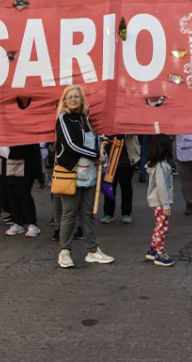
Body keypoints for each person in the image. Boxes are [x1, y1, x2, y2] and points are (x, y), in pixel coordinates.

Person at [54, 84, 113, 268]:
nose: (73, 99)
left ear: (82, 100)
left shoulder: (84, 118)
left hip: (88, 174)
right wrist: (96, 154)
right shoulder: (63, 118)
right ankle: (64, 252)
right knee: (69, 214)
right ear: (64, 100)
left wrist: (99, 142)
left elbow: (89, 140)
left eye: (76, 97)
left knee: (87, 214)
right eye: (69, 97)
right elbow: (71, 145)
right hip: (71, 174)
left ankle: (93, 251)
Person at [145, 134, 175, 267]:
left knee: (159, 225)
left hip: (158, 201)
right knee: (162, 227)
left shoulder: (158, 165)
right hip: (160, 202)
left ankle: (152, 250)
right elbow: (161, 187)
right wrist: (166, 205)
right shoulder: (161, 166)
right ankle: (159, 253)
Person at [2, 144, 43, 238]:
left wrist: (39, 176)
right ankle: (17, 222)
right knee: (11, 192)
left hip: (26, 160)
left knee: (23, 193)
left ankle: (33, 224)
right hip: (9, 159)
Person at [101, 135, 140, 224]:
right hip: (110, 156)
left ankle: (126, 213)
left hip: (127, 157)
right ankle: (108, 213)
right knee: (109, 186)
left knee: (126, 187)